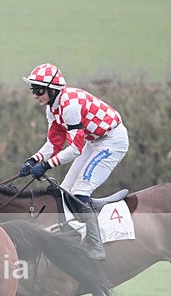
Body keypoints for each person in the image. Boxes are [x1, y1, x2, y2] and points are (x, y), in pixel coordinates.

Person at [17, 63, 129, 260]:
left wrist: (45, 165)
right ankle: (71, 234)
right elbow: (54, 144)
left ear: (52, 89)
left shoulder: (70, 106)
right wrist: (34, 159)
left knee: (80, 191)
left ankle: (96, 247)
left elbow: (75, 150)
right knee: (64, 190)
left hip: (112, 141)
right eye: (33, 90)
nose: (35, 95)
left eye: (38, 90)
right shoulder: (52, 108)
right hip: (93, 141)